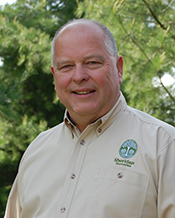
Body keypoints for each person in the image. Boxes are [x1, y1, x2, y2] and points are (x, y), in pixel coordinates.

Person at [4, 18, 175, 218]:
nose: (79, 76)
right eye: (66, 66)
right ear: (54, 76)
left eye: (92, 62)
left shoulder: (164, 145)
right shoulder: (36, 151)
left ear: (119, 68)